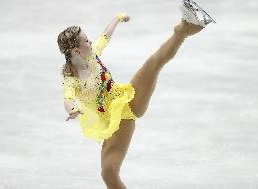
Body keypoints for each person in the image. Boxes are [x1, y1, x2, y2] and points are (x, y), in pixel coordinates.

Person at [57, 2, 212, 188]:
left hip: (127, 101)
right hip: (115, 121)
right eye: (86, 40)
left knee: (153, 63)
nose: (90, 41)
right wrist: (72, 109)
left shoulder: (91, 55)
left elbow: (105, 36)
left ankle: (186, 28)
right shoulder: (72, 80)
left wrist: (117, 18)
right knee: (108, 174)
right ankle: (185, 28)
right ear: (76, 51)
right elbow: (68, 98)